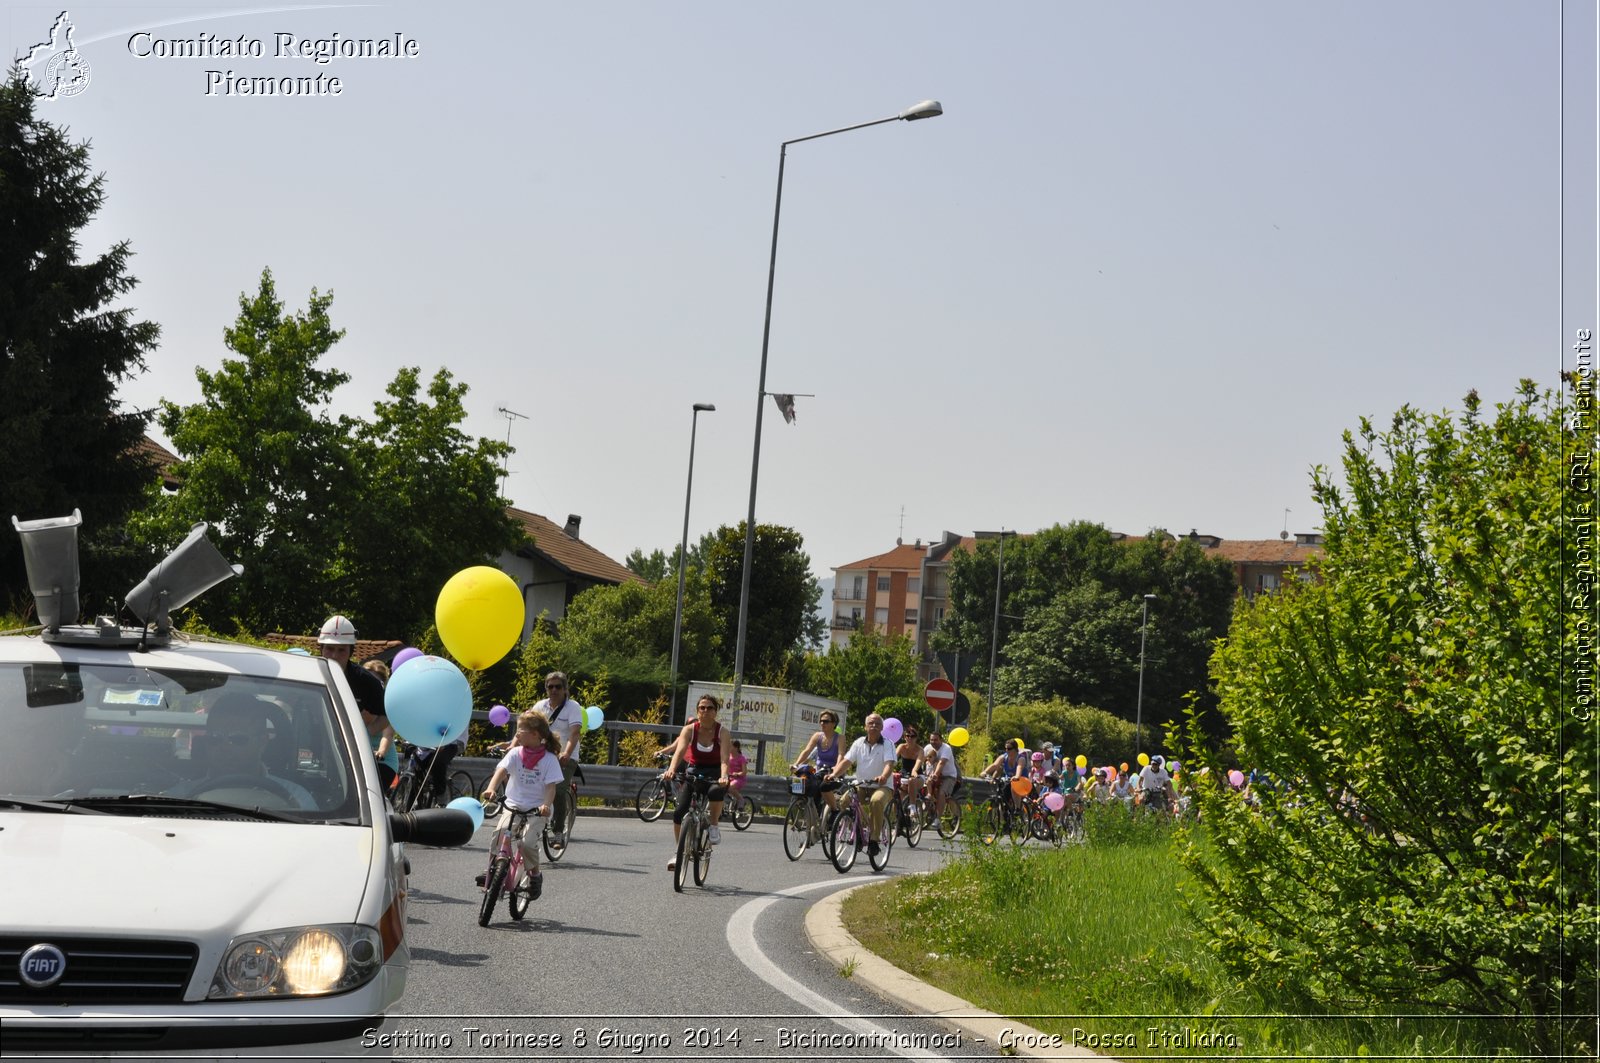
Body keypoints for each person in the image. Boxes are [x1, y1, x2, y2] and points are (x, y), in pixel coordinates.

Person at [169, 692, 317, 810]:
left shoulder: (296, 800)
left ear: (262, 742)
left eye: (238, 739)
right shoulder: (178, 798)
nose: (225, 747)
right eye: (215, 738)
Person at [475, 711, 561, 900]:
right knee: (499, 835)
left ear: (536, 734)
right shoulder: (515, 753)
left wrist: (546, 805)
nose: (517, 734)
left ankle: (535, 876)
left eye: (521, 730)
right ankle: (491, 870)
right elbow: (501, 771)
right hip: (513, 805)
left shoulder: (549, 759)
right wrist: (491, 789)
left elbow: (550, 788)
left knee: (527, 843)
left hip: (537, 810)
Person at [661, 693, 731, 869]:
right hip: (694, 770)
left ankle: (713, 825)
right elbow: (679, 752)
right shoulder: (689, 730)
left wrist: (724, 776)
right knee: (679, 812)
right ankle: (678, 853)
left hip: (715, 772)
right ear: (697, 711)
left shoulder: (722, 732)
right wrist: (671, 770)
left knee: (716, 792)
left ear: (716, 712)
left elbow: (724, 759)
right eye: (702, 708)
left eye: (709, 708)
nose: (705, 711)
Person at [825, 712, 894, 859]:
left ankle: (874, 840)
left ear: (882, 727)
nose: (874, 726)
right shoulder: (859, 743)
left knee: (876, 801)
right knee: (844, 801)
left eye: (877, 723)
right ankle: (857, 831)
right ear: (865, 727)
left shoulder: (888, 744)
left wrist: (883, 777)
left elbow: (889, 764)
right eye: (871, 723)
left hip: (882, 786)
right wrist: (834, 774)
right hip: (862, 784)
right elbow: (846, 762)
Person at [531, 671, 584, 841]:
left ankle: (558, 832)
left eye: (558, 687)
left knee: (559, 791)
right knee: (530, 785)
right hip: (543, 753)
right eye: (550, 686)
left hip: (565, 756)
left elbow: (574, 734)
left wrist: (566, 753)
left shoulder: (573, 707)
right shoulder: (540, 706)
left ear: (565, 689)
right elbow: (528, 727)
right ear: (546, 688)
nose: (554, 690)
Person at [317, 614, 385, 718]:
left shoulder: (366, 681)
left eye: (341, 650)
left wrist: (366, 733)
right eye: (330, 649)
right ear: (321, 649)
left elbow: (385, 714)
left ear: (351, 652)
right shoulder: (306, 674)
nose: (335, 655)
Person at [790, 709, 844, 814]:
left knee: (823, 787)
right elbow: (806, 751)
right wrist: (796, 764)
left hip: (833, 772)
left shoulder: (840, 738)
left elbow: (841, 754)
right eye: (821, 721)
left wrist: (836, 769)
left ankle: (834, 811)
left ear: (833, 723)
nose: (822, 723)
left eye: (826, 721)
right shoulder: (817, 736)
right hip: (820, 770)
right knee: (807, 783)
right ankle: (811, 810)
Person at [359, 659, 398, 794]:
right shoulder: (353, 700)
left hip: (382, 763)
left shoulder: (386, 706)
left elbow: (387, 735)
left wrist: (380, 752)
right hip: (359, 760)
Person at [921, 729, 960, 823]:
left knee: (941, 793)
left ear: (941, 740)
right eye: (931, 740)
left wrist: (935, 774)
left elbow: (941, 763)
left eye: (936, 740)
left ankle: (937, 819)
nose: (933, 742)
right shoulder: (927, 748)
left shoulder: (946, 748)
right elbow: (921, 760)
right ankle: (929, 812)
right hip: (932, 775)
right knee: (924, 789)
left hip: (948, 776)